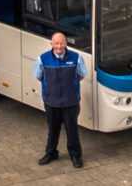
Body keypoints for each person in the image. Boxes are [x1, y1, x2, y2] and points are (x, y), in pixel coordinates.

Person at [35, 32, 86, 169]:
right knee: (53, 129)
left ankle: (75, 155)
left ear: (66, 43)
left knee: (72, 130)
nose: (59, 46)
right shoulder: (42, 59)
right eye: (56, 43)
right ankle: (51, 153)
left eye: (61, 43)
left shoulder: (76, 58)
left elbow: (81, 75)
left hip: (71, 101)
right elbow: (39, 76)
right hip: (51, 102)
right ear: (51, 44)